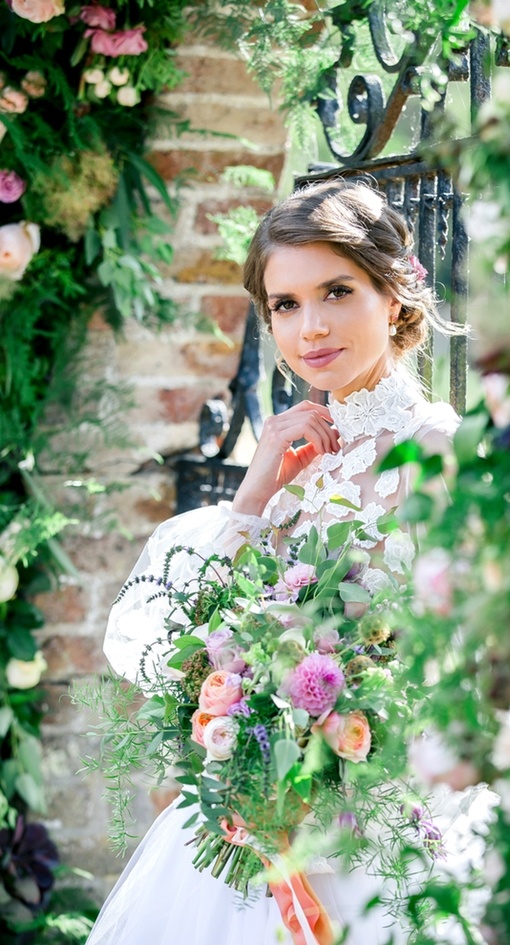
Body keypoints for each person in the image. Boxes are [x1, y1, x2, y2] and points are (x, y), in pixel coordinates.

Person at [86, 179, 460, 945]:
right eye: (285, 304)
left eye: (336, 291)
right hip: (253, 843)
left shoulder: (443, 451)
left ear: (394, 296)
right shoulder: (290, 461)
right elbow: (196, 637)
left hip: (379, 833)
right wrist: (255, 490)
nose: (310, 327)